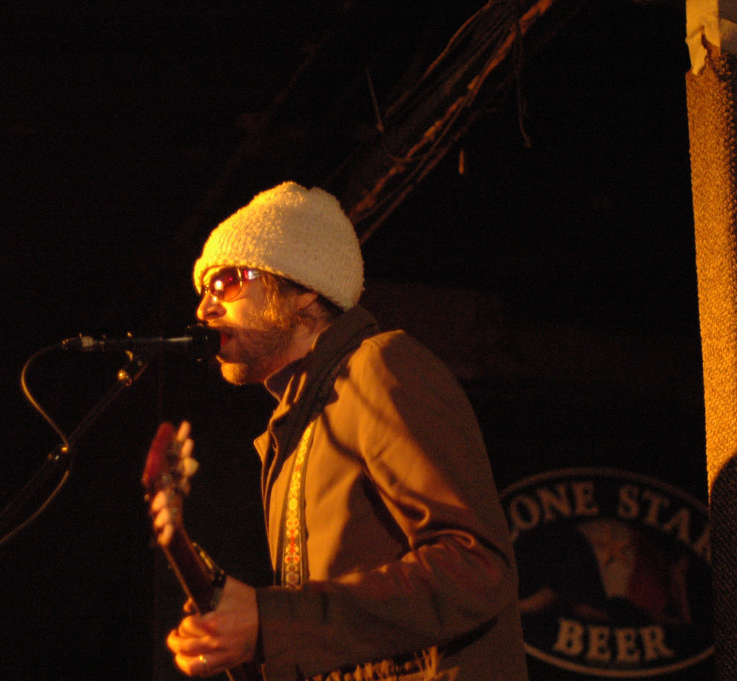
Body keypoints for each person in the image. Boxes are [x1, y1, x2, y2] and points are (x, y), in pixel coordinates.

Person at [151, 182, 528, 681]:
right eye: (203, 291)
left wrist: (269, 619)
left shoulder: (380, 366)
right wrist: (242, 635)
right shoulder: (292, 431)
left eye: (226, 282)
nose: (204, 308)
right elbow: (334, 636)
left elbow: (477, 566)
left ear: (304, 289)